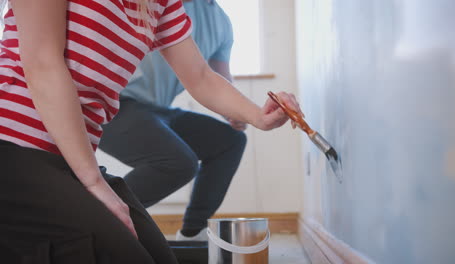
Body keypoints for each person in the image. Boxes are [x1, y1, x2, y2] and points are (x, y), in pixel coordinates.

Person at [0, 0, 301, 262]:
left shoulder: (160, 4)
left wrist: (258, 116)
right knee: (111, 251)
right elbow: (42, 63)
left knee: (155, 255)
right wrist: (93, 183)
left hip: (68, 159)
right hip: (12, 147)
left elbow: (201, 77)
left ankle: (188, 231)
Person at [99, 0, 246, 241]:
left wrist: (237, 111)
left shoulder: (221, 22)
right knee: (178, 162)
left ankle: (192, 233)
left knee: (229, 141)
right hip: (115, 105)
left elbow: (219, 78)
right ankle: (96, 221)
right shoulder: (157, 5)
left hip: (158, 110)